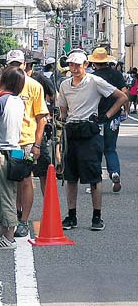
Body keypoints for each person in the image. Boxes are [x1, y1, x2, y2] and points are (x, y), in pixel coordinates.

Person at [58, 50, 127, 231]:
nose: (74, 68)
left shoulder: (94, 81)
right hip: (72, 131)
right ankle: (71, 216)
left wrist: (106, 116)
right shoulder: (64, 85)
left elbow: (122, 97)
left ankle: (97, 217)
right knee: (70, 177)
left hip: (90, 133)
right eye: (71, 65)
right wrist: (60, 127)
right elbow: (63, 111)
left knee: (94, 177)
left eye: (78, 65)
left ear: (86, 65)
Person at [0, 50, 49, 237]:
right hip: (5, 142)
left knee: (24, 180)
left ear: (25, 65)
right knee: (8, 184)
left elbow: (41, 118)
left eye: (18, 64)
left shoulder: (34, 86)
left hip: (25, 142)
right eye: (11, 64)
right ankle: (11, 219)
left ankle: (22, 221)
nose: (15, 67)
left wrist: (37, 144)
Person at [0, 66, 26, 250]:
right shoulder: (19, 102)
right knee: (12, 193)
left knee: (4, 196)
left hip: (2, 152)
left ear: (3, 82)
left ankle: (8, 238)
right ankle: (3, 231)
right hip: (17, 152)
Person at [89, 47, 129, 192]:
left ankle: (96, 181)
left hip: (97, 118)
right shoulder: (117, 75)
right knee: (111, 148)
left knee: (96, 150)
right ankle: (115, 173)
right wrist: (125, 109)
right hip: (114, 117)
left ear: (94, 63)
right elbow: (125, 93)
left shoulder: (92, 77)